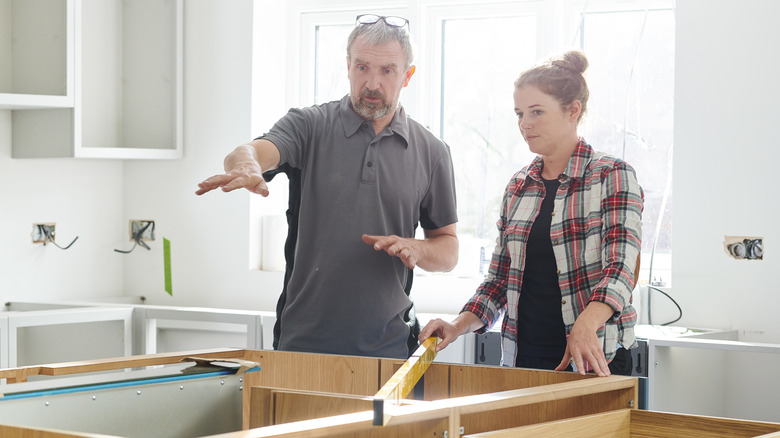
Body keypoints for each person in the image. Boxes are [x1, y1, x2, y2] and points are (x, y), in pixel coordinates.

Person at [196, 14, 459, 360]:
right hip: (302, 344)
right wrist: (246, 164)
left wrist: (418, 249)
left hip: (390, 349)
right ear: (348, 66)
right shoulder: (309, 126)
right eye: (362, 67)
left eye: (387, 71)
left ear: (407, 75)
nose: (372, 83)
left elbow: (449, 250)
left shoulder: (432, 151)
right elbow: (251, 151)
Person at [419, 50, 643, 377]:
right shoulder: (518, 187)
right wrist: (457, 326)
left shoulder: (612, 175)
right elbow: (498, 282)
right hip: (523, 360)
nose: (525, 124)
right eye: (519, 114)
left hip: (595, 359)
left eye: (537, 112)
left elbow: (621, 268)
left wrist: (586, 324)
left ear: (573, 111)